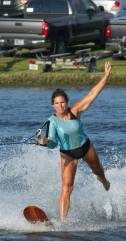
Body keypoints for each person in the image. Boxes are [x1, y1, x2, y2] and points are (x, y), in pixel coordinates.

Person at [43, 62, 112, 221]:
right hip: (68, 155)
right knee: (67, 188)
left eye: (62, 102)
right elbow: (53, 143)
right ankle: (62, 222)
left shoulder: (75, 111)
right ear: (53, 105)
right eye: (57, 103)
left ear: (66, 102)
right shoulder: (51, 121)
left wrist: (106, 76)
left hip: (85, 147)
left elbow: (91, 94)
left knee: (99, 173)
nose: (60, 105)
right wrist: (47, 142)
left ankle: (105, 183)